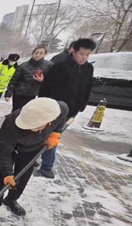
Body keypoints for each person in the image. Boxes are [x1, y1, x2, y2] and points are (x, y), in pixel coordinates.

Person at [0, 97, 68, 220]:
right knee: (1, 176)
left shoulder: (59, 110)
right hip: (10, 146)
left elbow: (62, 118)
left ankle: (11, 199)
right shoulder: (11, 122)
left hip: (33, 147)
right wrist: (7, 173)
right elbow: (3, 152)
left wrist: (55, 134)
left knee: (23, 176)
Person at [37, 38, 96, 178]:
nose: (84, 57)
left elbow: (87, 88)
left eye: (88, 54)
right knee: (49, 135)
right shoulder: (60, 66)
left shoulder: (88, 68)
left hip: (72, 110)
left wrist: (82, 105)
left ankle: (40, 160)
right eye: (82, 54)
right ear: (73, 51)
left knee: (52, 136)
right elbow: (45, 87)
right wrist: (44, 105)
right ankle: (46, 165)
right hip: (54, 108)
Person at [5, 46, 53, 112]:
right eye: (36, 53)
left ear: (44, 54)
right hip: (19, 93)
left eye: (41, 53)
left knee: (27, 112)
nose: (38, 55)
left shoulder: (48, 65)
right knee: (16, 112)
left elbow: (52, 80)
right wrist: (8, 94)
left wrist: (42, 80)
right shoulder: (23, 66)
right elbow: (13, 80)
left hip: (33, 94)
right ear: (32, 53)